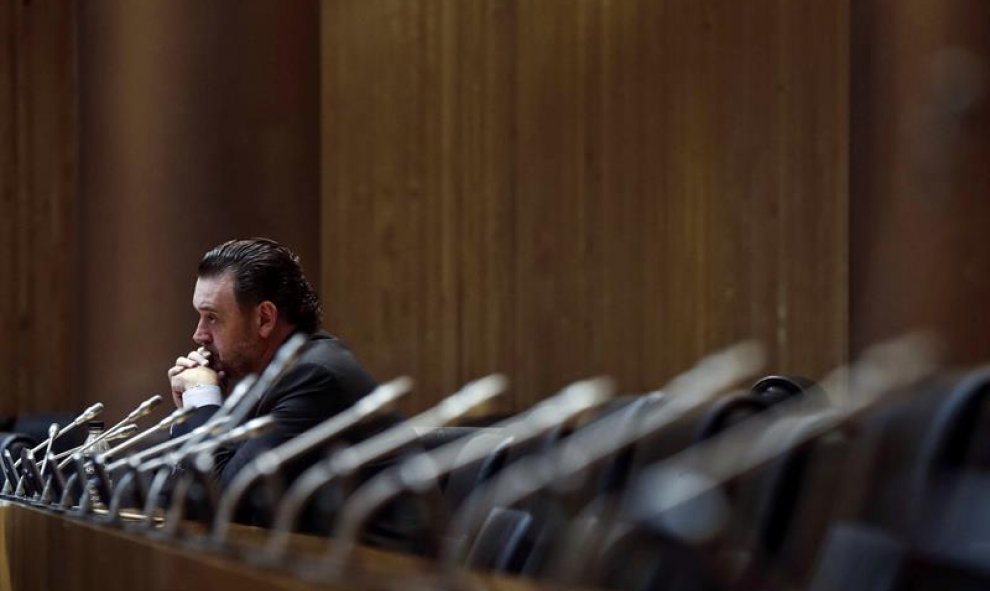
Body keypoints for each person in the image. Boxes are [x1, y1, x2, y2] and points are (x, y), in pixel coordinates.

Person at [166, 238, 407, 539]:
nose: (199, 335)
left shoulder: (314, 378)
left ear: (264, 318)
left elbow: (224, 502)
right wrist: (192, 412)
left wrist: (202, 401)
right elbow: (186, 498)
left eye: (212, 318)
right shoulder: (272, 378)